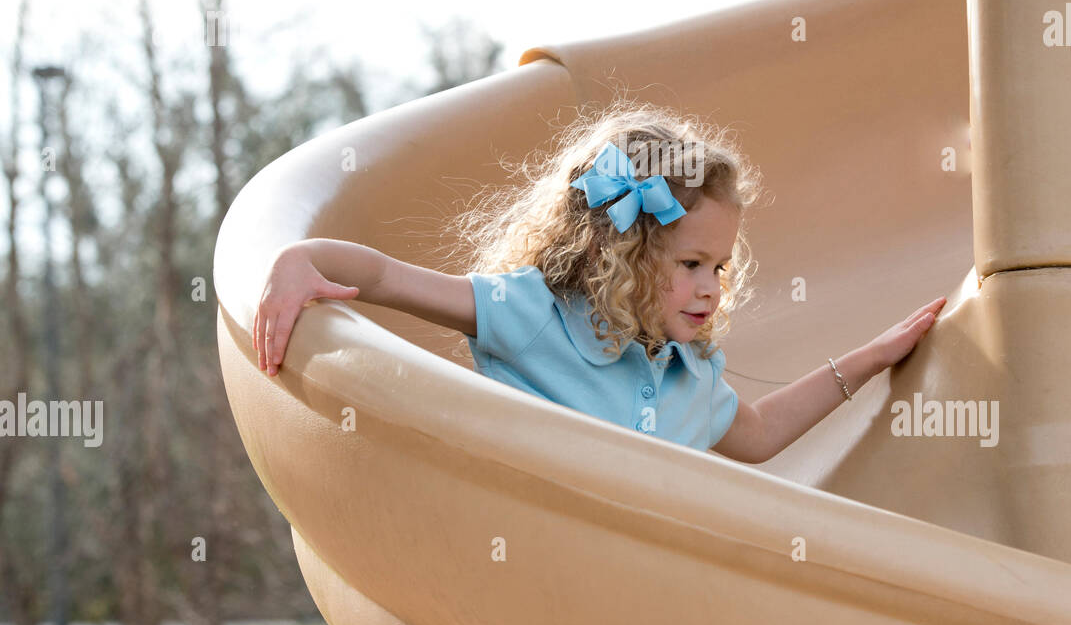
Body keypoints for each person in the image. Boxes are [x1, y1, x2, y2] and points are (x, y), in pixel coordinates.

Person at [253, 103, 944, 463]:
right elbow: (384, 276)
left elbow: (761, 431)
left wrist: (874, 356)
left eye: (720, 267)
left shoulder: (689, 378)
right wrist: (299, 261)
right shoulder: (531, 314)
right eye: (691, 264)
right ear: (626, 250)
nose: (710, 288)